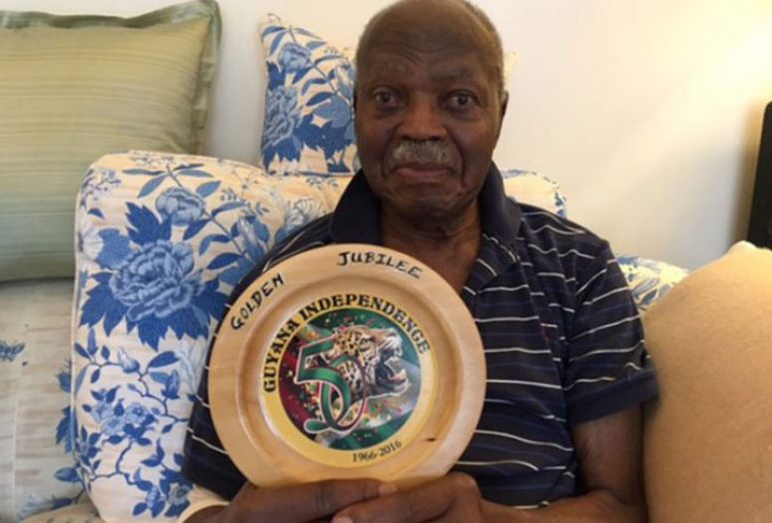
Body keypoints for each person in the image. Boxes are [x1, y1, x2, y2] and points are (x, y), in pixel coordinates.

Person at [181, 0, 658, 521]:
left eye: (459, 99)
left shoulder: (579, 270)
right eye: (388, 98)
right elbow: (215, 505)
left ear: (500, 111)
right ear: (356, 110)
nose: (421, 127)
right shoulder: (282, 287)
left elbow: (621, 507)